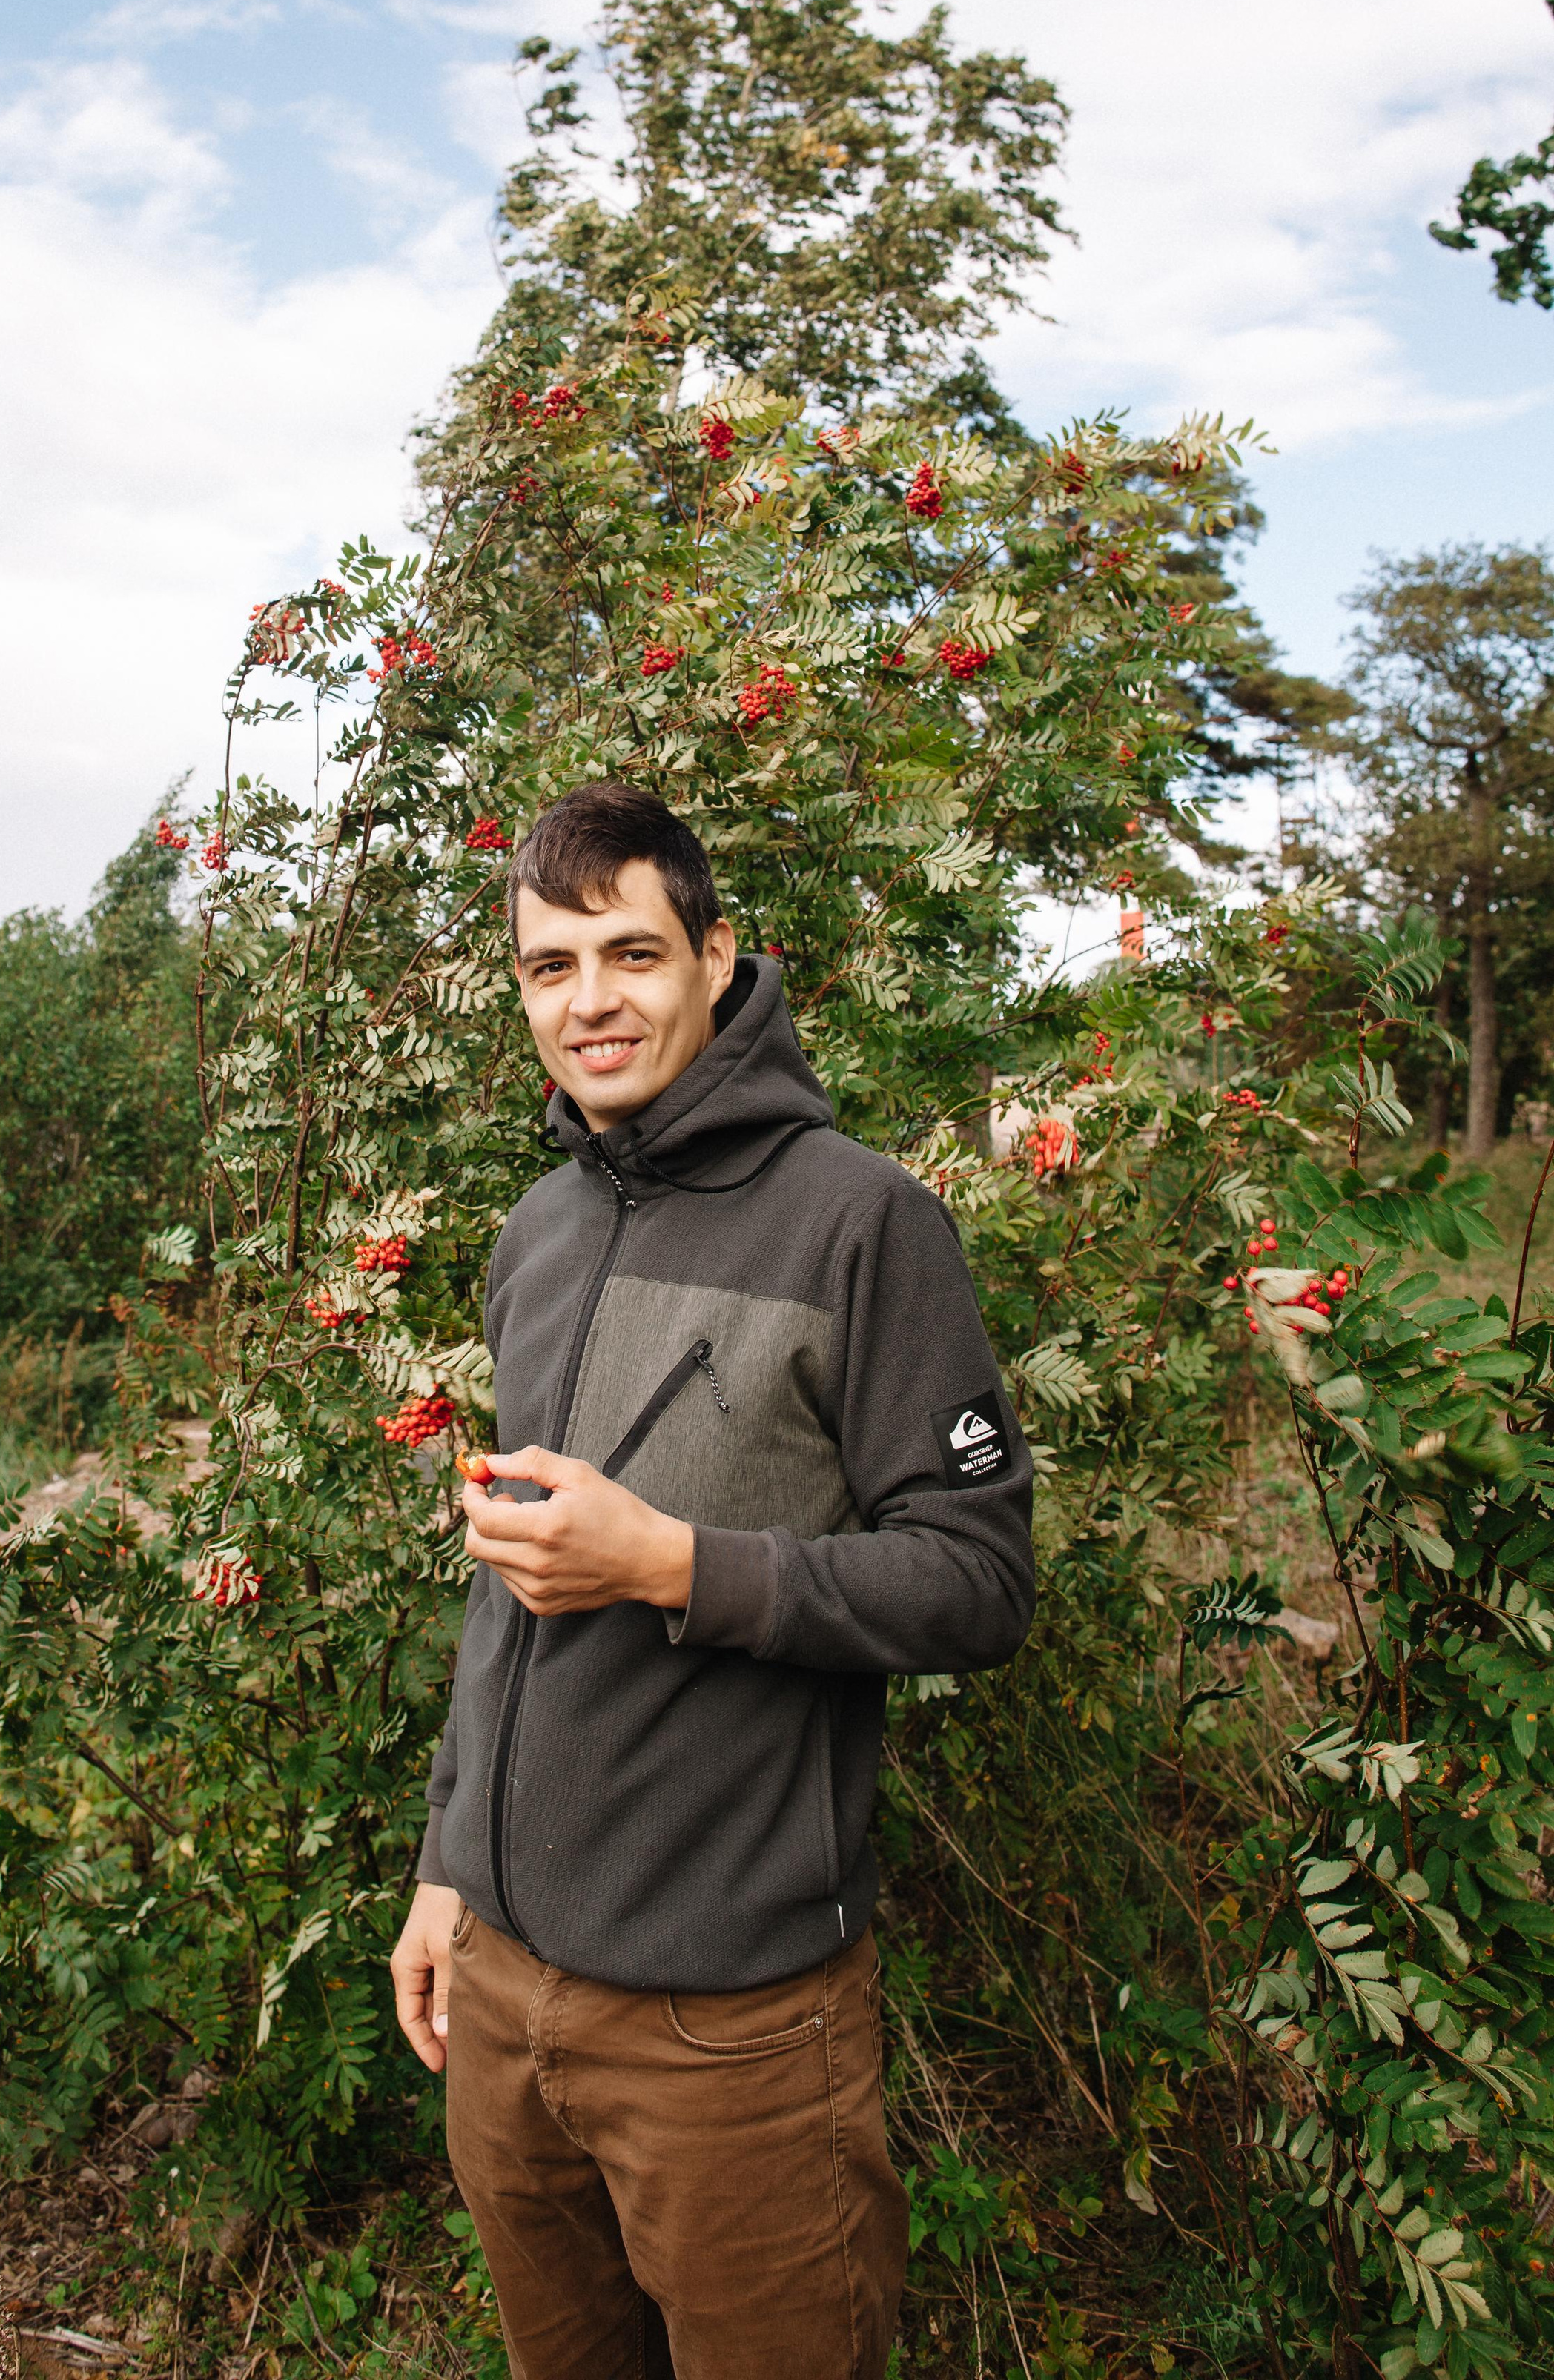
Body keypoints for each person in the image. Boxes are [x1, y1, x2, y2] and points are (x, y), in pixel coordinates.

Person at [389, 783, 1035, 2380]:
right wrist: (444, 1868)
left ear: (716, 956)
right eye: (550, 968)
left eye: (629, 953)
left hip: (730, 2031)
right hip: (503, 1993)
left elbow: (973, 1583)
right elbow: (506, 1588)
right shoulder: (536, 1231)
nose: (590, 1002)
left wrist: (671, 1565)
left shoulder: (865, 1225)